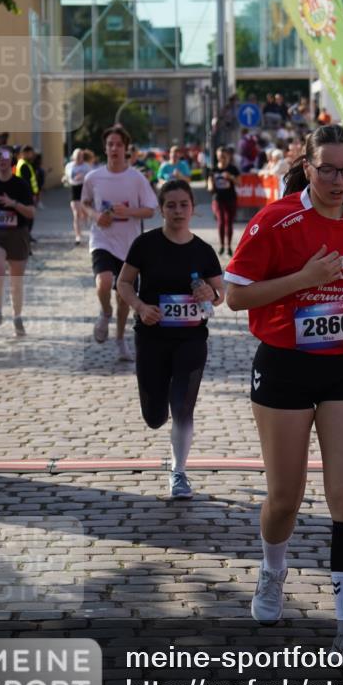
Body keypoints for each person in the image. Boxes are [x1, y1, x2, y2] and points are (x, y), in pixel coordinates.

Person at [224, 124, 343, 656]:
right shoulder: (276, 218)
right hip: (285, 365)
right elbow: (235, 297)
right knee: (284, 499)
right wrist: (303, 277)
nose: (340, 181)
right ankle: (273, 569)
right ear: (307, 166)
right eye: (328, 170)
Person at [117, 180, 224, 499]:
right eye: (171, 205)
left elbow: (221, 294)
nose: (178, 211)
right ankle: (158, 406)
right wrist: (139, 306)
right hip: (151, 339)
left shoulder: (203, 251)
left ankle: (179, 473)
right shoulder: (145, 245)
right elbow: (123, 283)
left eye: (184, 205)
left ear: (193, 208)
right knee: (154, 417)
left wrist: (211, 293)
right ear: (161, 209)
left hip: (191, 339)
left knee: (182, 407)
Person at [81, 125, 157, 361]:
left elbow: (151, 210)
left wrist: (130, 211)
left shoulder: (136, 178)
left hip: (129, 245)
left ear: (126, 149)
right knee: (103, 281)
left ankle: (121, 340)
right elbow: (84, 203)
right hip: (102, 239)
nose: (114, 148)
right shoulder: (93, 177)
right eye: (110, 144)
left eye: (118, 145)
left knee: (124, 297)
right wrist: (96, 216)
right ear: (105, 149)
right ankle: (105, 312)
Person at [0, 145, 35, 335]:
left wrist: (13, 204)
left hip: (17, 234)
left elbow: (31, 212)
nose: (2, 160)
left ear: (11, 161)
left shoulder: (21, 185)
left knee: (16, 281)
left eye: (6, 157)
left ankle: (17, 317)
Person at [207, 147, 240, 256]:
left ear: (228, 157)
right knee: (221, 221)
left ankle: (229, 246)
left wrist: (230, 177)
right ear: (217, 157)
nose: (222, 159)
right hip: (218, 198)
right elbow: (209, 184)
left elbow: (239, 183)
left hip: (231, 198)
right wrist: (211, 186)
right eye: (220, 156)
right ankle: (221, 246)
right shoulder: (213, 170)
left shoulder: (233, 169)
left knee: (229, 223)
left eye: (224, 156)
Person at [65, 148, 92, 244]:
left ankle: (88, 230)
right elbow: (67, 177)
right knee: (76, 214)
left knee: (84, 213)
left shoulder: (87, 167)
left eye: (80, 156)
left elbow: (91, 179)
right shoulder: (69, 166)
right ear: (73, 157)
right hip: (74, 189)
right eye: (76, 157)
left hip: (84, 188)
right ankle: (78, 236)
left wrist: (83, 177)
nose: (78, 158)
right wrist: (64, 179)